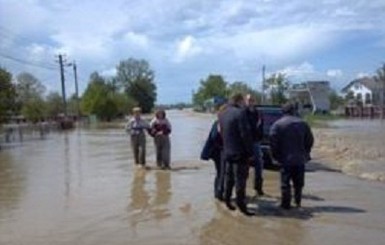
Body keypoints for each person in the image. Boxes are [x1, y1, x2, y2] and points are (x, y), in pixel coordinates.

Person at [269, 102, 314, 210]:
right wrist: (306, 153)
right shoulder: (303, 124)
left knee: (285, 184)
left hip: (285, 159)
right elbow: (310, 141)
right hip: (299, 159)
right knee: (298, 184)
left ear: (282, 112)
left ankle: (286, 205)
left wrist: (275, 157)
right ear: (293, 111)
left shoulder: (277, 125)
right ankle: (298, 203)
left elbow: (273, 143)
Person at [219, 93, 254, 216]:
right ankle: (241, 205)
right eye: (243, 101)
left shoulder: (223, 113)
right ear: (239, 101)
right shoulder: (240, 113)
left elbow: (221, 132)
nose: (244, 103)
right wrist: (250, 152)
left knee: (229, 178)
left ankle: (228, 200)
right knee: (240, 180)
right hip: (240, 153)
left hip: (227, 151)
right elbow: (245, 134)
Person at [200, 105, 226, 202]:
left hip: (219, 151)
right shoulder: (218, 123)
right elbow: (214, 137)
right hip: (217, 152)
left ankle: (218, 194)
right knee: (221, 172)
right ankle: (219, 194)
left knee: (220, 172)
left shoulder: (219, 122)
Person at [244, 94, 265, 196]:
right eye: (248, 100)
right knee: (244, 167)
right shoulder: (242, 113)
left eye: (252, 100)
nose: (250, 102)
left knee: (259, 166)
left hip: (256, 142)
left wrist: (260, 137)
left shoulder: (258, 113)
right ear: (245, 101)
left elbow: (261, 126)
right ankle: (243, 190)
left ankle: (258, 188)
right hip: (245, 144)